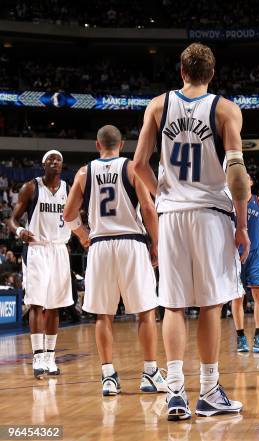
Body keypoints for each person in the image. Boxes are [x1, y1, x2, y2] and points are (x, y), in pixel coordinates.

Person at [133, 43, 249, 421]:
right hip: (212, 214)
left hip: (171, 214)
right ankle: (210, 390)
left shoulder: (156, 106)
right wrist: (243, 224)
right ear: (212, 74)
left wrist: (162, 193)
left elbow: (138, 164)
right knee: (211, 303)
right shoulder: (226, 109)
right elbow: (236, 176)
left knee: (174, 304)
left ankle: (176, 392)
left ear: (180, 71)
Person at [63, 125, 167, 396]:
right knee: (145, 312)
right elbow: (147, 208)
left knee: (103, 315)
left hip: (100, 246)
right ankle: (150, 373)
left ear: (98, 145)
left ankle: (108, 376)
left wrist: (83, 236)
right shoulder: (132, 168)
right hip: (131, 243)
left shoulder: (84, 173)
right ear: (121, 144)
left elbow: (68, 214)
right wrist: (156, 244)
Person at [8, 150, 72, 379]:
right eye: (50, 160)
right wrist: (19, 231)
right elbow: (12, 219)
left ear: (62, 165)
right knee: (36, 303)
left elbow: (74, 219)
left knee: (55, 306)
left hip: (59, 249)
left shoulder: (69, 189)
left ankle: (50, 357)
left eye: (58, 160)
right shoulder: (31, 187)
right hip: (36, 249)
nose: (55, 162)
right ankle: (37, 356)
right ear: (43, 165)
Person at [232, 176, 259, 353]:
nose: (243, 179)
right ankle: (241, 337)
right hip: (235, 254)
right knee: (237, 297)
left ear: (251, 182)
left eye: (247, 177)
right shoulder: (229, 201)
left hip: (256, 254)